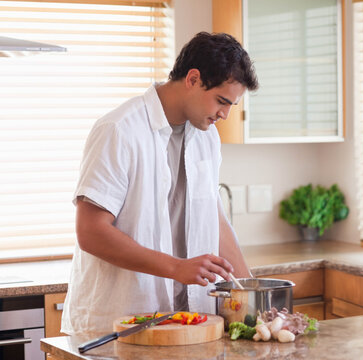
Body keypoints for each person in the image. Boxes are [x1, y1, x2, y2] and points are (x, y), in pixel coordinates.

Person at [61, 32, 259, 334]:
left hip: (191, 326)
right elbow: (91, 232)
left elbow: (214, 219)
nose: (225, 114)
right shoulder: (119, 130)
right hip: (118, 325)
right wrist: (177, 268)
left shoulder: (207, 137)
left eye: (232, 105)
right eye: (221, 101)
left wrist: (253, 296)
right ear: (193, 79)